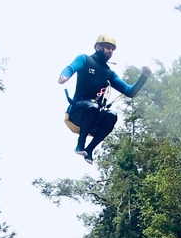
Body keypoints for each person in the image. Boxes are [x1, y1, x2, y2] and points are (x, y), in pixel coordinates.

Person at [58, 35, 151, 164]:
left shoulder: (109, 73)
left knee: (111, 115)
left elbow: (129, 92)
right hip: (77, 111)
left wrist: (143, 77)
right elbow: (71, 67)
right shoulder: (85, 59)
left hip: (93, 117)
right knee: (92, 106)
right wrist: (64, 76)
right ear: (97, 47)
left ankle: (89, 150)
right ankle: (80, 144)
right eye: (107, 47)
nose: (110, 51)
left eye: (112, 49)